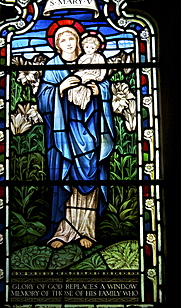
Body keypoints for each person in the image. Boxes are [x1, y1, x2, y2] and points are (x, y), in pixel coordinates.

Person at [37, 25, 114, 248]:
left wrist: (100, 91)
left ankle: (87, 231)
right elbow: (43, 98)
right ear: (57, 44)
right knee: (65, 177)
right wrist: (60, 87)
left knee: (91, 175)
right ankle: (63, 231)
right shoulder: (53, 66)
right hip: (62, 135)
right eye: (64, 40)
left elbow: (105, 86)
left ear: (79, 42)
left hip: (90, 127)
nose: (69, 43)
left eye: (73, 39)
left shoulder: (90, 60)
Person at [68, 35, 107, 110]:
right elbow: (79, 69)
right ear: (83, 47)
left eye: (92, 48)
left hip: (93, 75)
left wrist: (101, 77)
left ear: (96, 48)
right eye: (87, 47)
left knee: (84, 83)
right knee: (75, 78)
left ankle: (83, 100)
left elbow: (103, 69)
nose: (89, 49)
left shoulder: (99, 57)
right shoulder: (82, 57)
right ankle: (76, 98)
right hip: (84, 74)